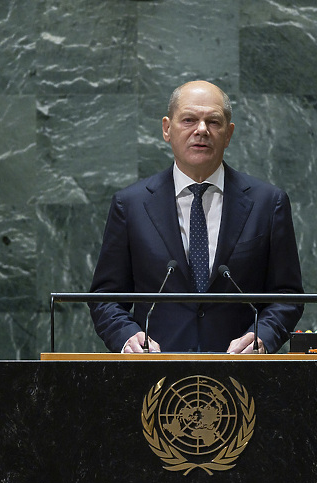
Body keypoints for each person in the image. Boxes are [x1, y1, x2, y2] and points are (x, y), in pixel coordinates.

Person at [89, 80, 303, 353]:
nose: (201, 130)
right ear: (167, 128)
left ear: (229, 134)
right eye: (189, 119)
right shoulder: (130, 204)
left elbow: (287, 296)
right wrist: (127, 336)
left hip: (243, 374)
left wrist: (262, 337)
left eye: (213, 122)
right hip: (155, 375)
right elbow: (106, 297)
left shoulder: (268, 203)